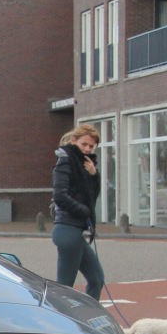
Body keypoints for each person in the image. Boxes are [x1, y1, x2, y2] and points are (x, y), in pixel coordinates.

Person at [51, 123, 105, 301]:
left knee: (96, 279)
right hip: (67, 229)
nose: (88, 149)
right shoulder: (65, 161)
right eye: (84, 144)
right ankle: (58, 325)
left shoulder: (85, 166)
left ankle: (89, 320)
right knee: (64, 286)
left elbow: (91, 196)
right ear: (74, 141)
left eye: (91, 146)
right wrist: (83, 211)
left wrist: (93, 175)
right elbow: (60, 196)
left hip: (76, 230)